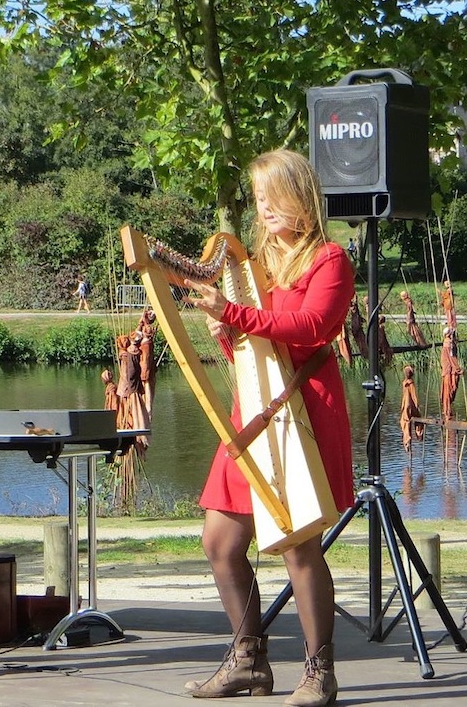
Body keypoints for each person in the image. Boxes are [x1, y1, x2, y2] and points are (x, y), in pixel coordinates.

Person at [182, 149, 354, 707]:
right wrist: (225, 333)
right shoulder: (256, 265)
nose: (263, 209)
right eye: (257, 200)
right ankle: (248, 661)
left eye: (271, 197)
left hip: (303, 409)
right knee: (220, 540)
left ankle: (318, 672)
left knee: (297, 545)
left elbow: (309, 327)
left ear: (298, 196)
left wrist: (233, 315)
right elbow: (254, 346)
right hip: (255, 411)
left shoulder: (329, 260)